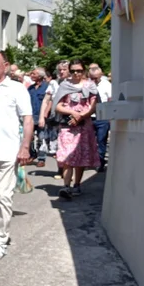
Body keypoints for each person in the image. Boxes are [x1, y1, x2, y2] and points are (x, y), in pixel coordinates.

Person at [0, 50, 33, 261]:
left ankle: (0, 240)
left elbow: (27, 119)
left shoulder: (16, 89)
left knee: (3, 196)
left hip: (8, 151)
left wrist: (25, 147)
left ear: (6, 65)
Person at [53, 59, 100, 199]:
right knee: (67, 156)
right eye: (73, 71)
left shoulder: (90, 85)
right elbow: (58, 105)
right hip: (68, 126)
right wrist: (72, 113)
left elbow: (93, 105)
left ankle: (77, 184)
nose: (76, 73)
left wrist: (81, 115)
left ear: (83, 71)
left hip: (84, 126)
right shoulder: (65, 85)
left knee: (81, 156)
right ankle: (66, 186)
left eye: (79, 70)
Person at [89, 63, 112, 171]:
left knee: (101, 140)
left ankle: (100, 161)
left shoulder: (106, 85)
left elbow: (111, 100)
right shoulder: (87, 84)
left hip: (102, 118)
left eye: (96, 78)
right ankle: (91, 160)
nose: (94, 80)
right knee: (89, 140)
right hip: (89, 116)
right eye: (92, 78)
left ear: (100, 75)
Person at [28, 68, 50, 167]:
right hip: (31, 117)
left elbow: (49, 101)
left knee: (42, 138)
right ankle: (32, 155)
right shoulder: (30, 88)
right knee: (30, 137)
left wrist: (45, 114)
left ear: (40, 76)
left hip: (41, 117)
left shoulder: (47, 87)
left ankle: (42, 158)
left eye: (34, 73)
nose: (31, 75)